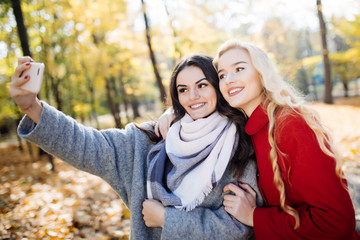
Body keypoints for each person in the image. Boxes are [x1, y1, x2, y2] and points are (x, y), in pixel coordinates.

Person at [9, 54, 261, 240]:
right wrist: (32, 107)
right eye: (183, 89)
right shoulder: (149, 139)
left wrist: (167, 219)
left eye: (202, 85)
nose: (192, 97)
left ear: (217, 87)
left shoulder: (239, 147)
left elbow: (238, 228)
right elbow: (87, 144)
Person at [212, 39, 359, 239]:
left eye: (239, 69)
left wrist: (254, 216)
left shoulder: (291, 124)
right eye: (222, 75)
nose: (228, 79)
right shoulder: (245, 128)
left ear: (262, 73)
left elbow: (334, 221)